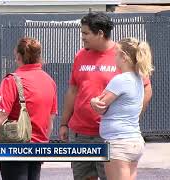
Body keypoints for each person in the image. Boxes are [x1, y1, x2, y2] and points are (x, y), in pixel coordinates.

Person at [58, 12, 152, 180]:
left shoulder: (123, 55)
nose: (82, 37)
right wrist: (64, 123)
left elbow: (146, 89)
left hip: (110, 137)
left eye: (86, 33)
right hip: (81, 135)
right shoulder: (80, 55)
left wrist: (131, 118)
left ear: (100, 33)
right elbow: (73, 90)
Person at [0, 37, 58, 180]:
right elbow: (50, 119)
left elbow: (1, 114)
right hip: (38, 146)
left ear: (18, 56)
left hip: (15, 146)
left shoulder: (12, 80)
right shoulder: (49, 81)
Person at [90, 38, 153, 180]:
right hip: (133, 141)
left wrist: (93, 101)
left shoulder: (120, 79)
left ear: (124, 57)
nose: (114, 58)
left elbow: (100, 106)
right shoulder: (138, 78)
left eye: (116, 54)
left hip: (119, 143)